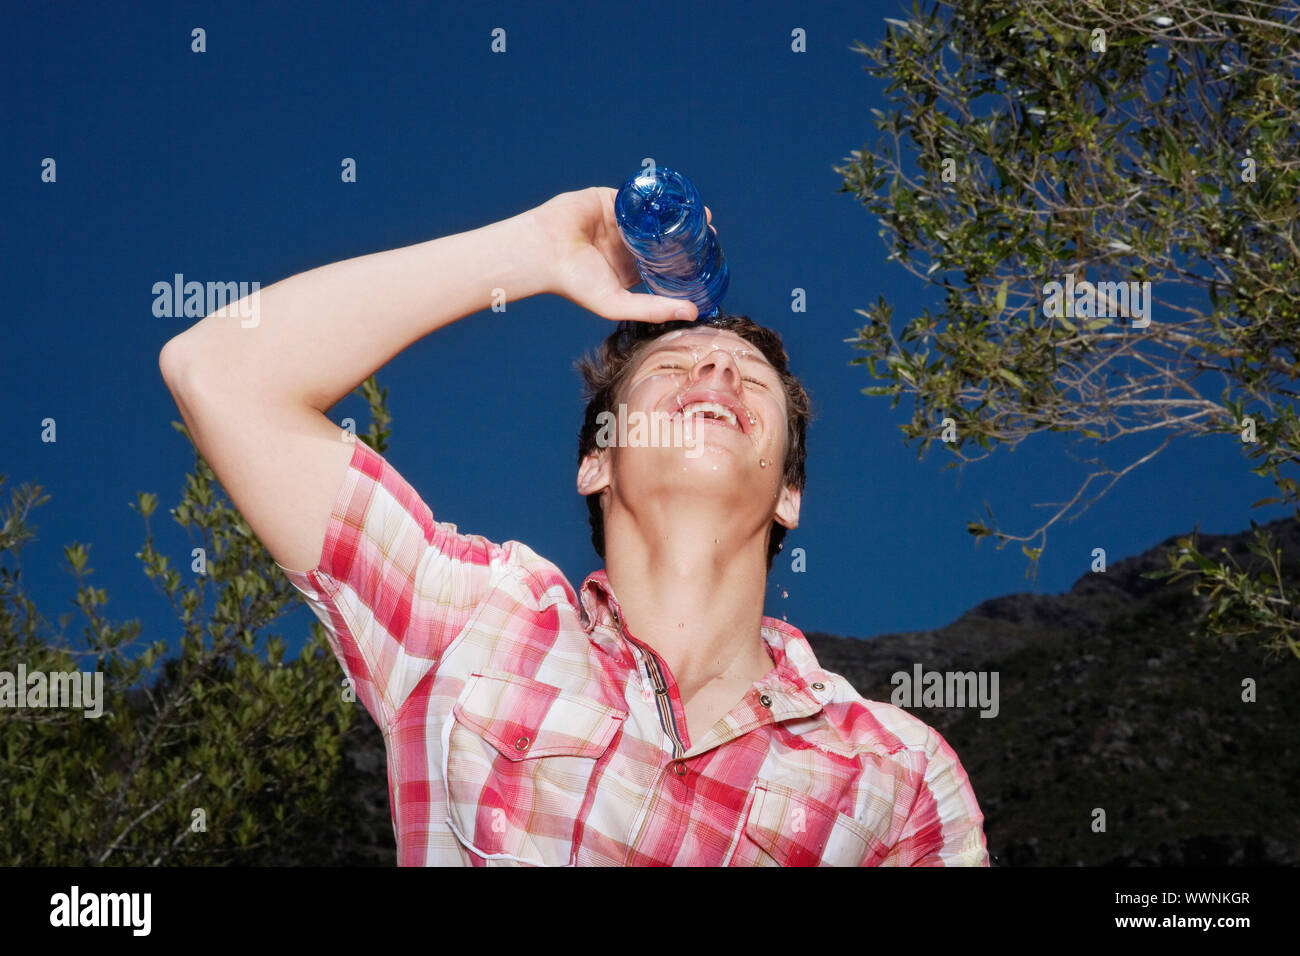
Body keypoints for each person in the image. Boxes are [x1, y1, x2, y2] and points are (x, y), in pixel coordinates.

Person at [158, 186, 989, 866]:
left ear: (789, 496)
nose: (713, 370)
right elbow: (219, 373)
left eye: (751, 381)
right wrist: (533, 250)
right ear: (597, 461)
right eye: (674, 367)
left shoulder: (899, 775)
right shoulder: (472, 622)